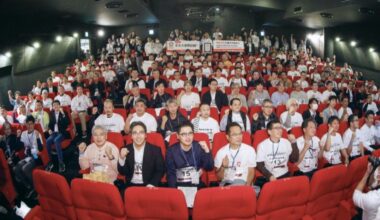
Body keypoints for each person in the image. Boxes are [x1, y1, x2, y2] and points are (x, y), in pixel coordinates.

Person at [166, 122, 214, 188]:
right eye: (183, 134)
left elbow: (209, 167)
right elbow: (171, 174)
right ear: (178, 136)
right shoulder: (171, 151)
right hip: (178, 185)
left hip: (196, 184)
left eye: (190, 133)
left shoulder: (199, 147)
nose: (188, 137)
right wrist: (175, 191)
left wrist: (207, 150)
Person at [118, 121, 165, 187]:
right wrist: (122, 158)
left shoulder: (155, 150)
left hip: (149, 185)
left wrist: (152, 184)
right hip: (131, 185)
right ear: (131, 136)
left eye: (141, 132)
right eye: (135, 133)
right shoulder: (125, 149)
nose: (138, 136)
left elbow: (160, 170)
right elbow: (122, 172)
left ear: (145, 135)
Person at [256, 119, 299, 186]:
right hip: (270, 176)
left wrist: (294, 142)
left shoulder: (286, 142)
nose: (280, 130)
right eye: (276, 128)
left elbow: (294, 159)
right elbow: (259, 164)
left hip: (285, 174)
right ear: (269, 132)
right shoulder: (262, 145)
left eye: (280, 128)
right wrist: (269, 175)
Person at [14, 115, 43, 196]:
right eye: (28, 124)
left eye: (31, 124)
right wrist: (18, 137)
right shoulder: (23, 133)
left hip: (36, 156)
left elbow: (41, 149)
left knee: (25, 168)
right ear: (26, 125)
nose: (29, 126)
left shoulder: (37, 133)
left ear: (34, 124)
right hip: (28, 156)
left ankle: (36, 188)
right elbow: (18, 147)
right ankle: (29, 185)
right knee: (16, 169)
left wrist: (37, 138)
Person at [46, 100, 69, 173]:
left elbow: (68, 122)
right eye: (54, 105)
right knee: (48, 141)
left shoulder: (63, 112)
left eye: (57, 105)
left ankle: (61, 162)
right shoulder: (51, 113)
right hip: (54, 133)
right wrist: (49, 129)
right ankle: (50, 161)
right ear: (52, 107)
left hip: (62, 133)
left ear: (59, 105)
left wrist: (62, 113)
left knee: (56, 140)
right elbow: (50, 124)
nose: (55, 106)